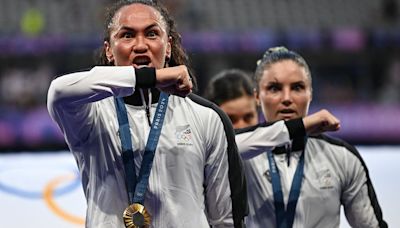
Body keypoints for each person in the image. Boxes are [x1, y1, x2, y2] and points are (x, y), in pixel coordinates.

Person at [47, 1, 248, 227]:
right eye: (127, 35)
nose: (140, 45)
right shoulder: (91, 115)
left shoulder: (207, 118)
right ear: (109, 50)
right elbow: (59, 90)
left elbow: (226, 219)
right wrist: (151, 77)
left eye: (152, 34)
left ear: (168, 46)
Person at [236, 46, 387, 228]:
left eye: (297, 87)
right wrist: (302, 126)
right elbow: (225, 147)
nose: (286, 98)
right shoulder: (242, 153)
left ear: (310, 94)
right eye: (274, 88)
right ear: (257, 97)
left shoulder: (343, 157)